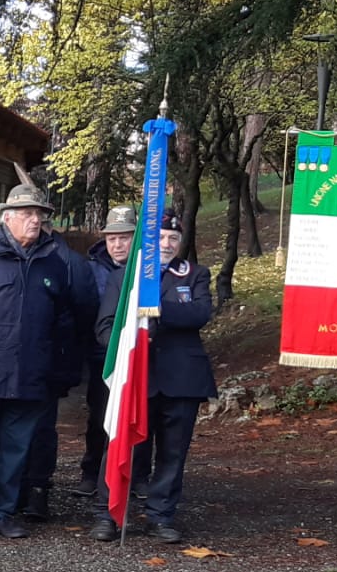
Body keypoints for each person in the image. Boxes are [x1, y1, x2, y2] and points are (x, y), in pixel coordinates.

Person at [0, 180, 95, 541]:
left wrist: (51, 361)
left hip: (30, 375)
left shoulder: (55, 264)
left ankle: (4, 511)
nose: (35, 221)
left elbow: (65, 319)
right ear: (7, 218)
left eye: (40, 215)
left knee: (16, 448)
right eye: (27, 214)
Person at [91, 214, 217, 542]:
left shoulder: (195, 274)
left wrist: (152, 306)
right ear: (149, 241)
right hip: (135, 378)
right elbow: (105, 326)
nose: (166, 245)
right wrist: (123, 346)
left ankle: (161, 515)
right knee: (123, 447)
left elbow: (199, 313)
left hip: (182, 378)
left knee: (173, 452)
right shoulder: (124, 279)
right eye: (160, 238)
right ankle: (110, 514)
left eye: (173, 239)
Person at [21, 204, 93, 521]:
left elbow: (84, 314)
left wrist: (65, 359)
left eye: (37, 219)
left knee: (41, 429)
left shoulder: (70, 263)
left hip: (50, 362)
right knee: (10, 428)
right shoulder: (12, 257)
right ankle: (10, 489)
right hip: (12, 362)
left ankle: (37, 490)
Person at [74, 206, 135, 497]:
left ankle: (135, 475)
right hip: (102, 355)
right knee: (100, 416)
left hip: (138, 356)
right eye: (112, 239)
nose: (118, 244)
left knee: (135, 417)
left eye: (124, 238)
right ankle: (92, 471)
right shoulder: (91, 268)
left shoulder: (145, 268)